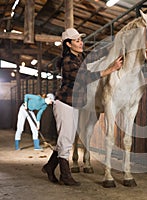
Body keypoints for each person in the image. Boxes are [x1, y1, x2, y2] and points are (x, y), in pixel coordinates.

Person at [42, 28, 123, 186]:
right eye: (77, 40)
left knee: (67, 139)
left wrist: (116, 43)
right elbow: (84, 77)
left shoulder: (80, 57)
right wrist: (111, 69)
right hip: (65, 103)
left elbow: (96, 54)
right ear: (69, 44)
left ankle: (50, 167)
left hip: (75, 104)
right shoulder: (67, 61)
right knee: (66, 140)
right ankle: (65, 175)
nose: (81, 43)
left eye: (81, 40)